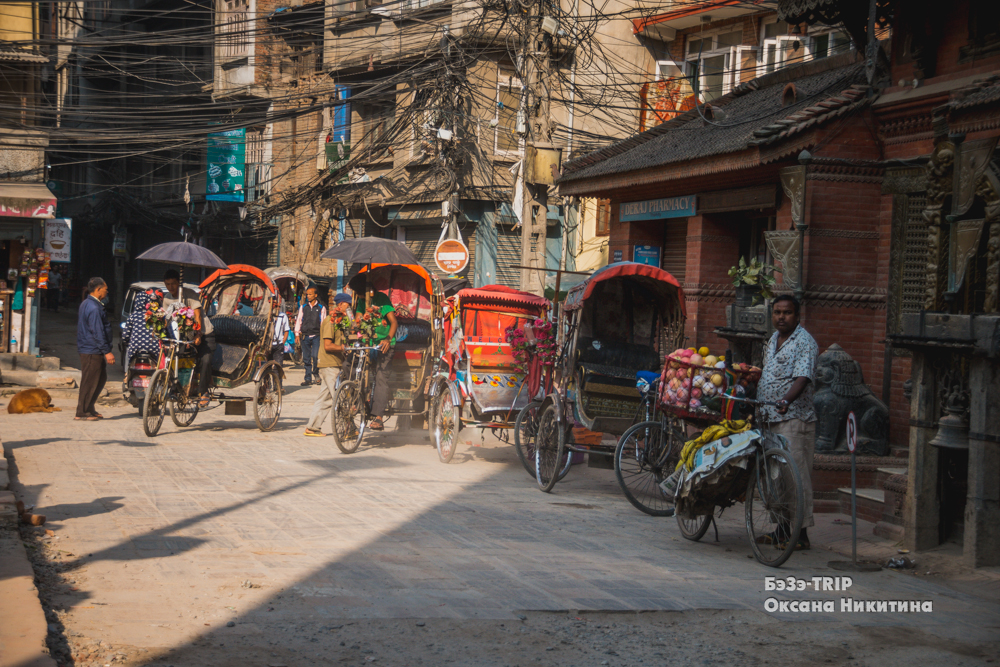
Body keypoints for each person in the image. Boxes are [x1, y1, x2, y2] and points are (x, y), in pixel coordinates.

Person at [755, 294, 819, 551]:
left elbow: (802, 378)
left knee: (796, 478)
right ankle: (781, 529)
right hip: (768, 420)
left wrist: (785, 400)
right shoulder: (772, 340)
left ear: (797, 316)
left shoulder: (805, 342)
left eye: (787, 313)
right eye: (777, 312)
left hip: (793, 419)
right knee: (775, 478)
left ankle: (801, 535)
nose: (781, 317)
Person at [162, 269, 215, 408]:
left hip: (204, 332)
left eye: (173, 283)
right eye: (167, 284)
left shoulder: (190, 294)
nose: (171, 287)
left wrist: (198, 334)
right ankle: (174, 389)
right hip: (183, 335)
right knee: (174, 357)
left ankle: (204, 392)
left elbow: (197, 316)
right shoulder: (167, 298)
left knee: (205, 359)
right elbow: (166, 319)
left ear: (178, 283)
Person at [304, 293, 352, 437]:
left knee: (326, 398)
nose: (349, 308)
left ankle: (312, 427)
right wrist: (343, 348)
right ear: (341, 304)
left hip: (334, 363)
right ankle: (349, 429)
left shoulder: (339, 322)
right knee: (340, 396)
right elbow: (327, 345)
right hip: (329, 364)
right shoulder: (330, 321)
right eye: (348, 305)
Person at [75, 277, 114, 421]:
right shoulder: (93, 307)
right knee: (90, 380)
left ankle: (89, 407)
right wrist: (107, 352)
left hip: (91, 348)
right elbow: (97, 331)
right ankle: (82, 411)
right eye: (106, 289)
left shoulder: (88, 303)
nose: (107, 292)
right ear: (98, 290)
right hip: (92, 349)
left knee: (99, 378)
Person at [365, 291, 397, 431]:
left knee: (380, 376)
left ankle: (378, 417)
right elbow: (359, 318)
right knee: (349, 366)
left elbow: (394, 321)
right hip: (368, 343)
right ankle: (354, 402)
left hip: (384, 344)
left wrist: (388, 339)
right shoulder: (361, 301)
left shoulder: (382, 300)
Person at [295, 287, 326, 386]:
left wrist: (324, 337)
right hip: (305, 336)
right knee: (306, 358)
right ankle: (307, 378)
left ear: (315, 295)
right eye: (307, 294)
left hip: (317, 335)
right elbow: (299, 320)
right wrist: (297, 334)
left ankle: (316, 373)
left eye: (310, 294)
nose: (308, 296)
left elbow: (323, 322)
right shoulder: (303, 307)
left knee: (315, 356)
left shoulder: (321, 308)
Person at [122, 289, 162, 366]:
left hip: (135, 349)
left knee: (129, 361)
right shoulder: (158, 316)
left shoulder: (133, 316)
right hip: (154, 349)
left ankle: (127, 374)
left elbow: (125, 336)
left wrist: (129, 343)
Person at [271, 300, 291, 367]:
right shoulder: (268, 316)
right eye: (275, 306)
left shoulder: (283, 316)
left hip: (279, 344)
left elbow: (286, 330)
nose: (277, 308)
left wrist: (282, 342)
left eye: (278, 306)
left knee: (278, 366)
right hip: (269, 344)